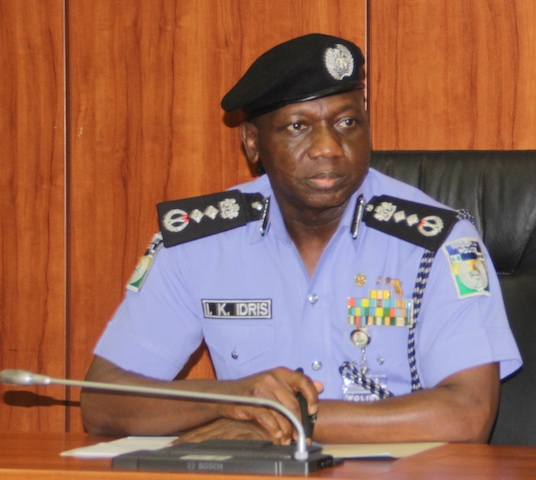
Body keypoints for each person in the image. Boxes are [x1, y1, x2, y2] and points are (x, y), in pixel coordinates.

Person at [81, 33, 522, 444]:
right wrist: (233, 398)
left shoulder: (437, 241)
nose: (328, 147)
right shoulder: (200, 243)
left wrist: (289, 421)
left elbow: (468, 414)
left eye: (347, 121)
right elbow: (103, 403)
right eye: (298, 126)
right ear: (252, 142)